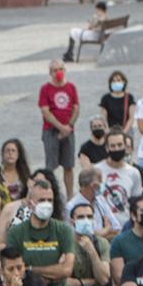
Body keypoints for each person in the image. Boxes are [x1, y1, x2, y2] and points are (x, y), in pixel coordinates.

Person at [38, 62, 80, 192]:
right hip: (50, 131)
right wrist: (61, 127)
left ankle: (70, 194)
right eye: (55, 70)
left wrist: (69, 126)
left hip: (68, 131)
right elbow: (45, 111)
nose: (58, 72)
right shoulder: (45, 89)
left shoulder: (71, 87)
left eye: (60, 69)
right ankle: (51, 193)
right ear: (50, 73)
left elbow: (76, 108)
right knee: (50, 166)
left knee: (68, 166)